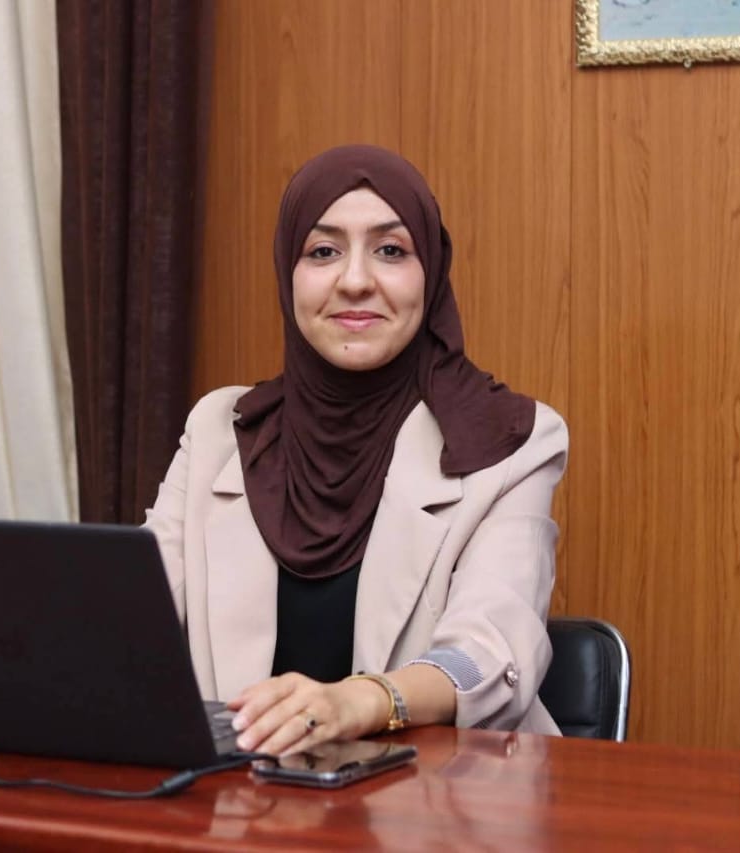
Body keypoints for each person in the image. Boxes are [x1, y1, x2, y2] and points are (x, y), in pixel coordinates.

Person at [144, 144, 567, 756]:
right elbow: (128, 620)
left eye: (391, 251)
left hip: (444, 812)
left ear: (432, 274)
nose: (356, 280)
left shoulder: (507, 440)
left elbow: (489, 654)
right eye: (323, 251)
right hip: (249, 813)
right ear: (288, 274)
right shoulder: (221, 429)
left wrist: (362, 699)